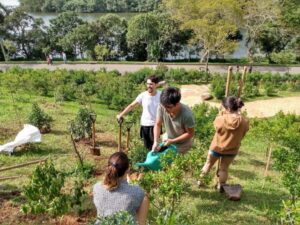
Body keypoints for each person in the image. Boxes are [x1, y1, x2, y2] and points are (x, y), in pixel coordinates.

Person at [198, 96, 249, 190]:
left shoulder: (221, 119)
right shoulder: (244, 121)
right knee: (224, 168)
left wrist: (220, 114)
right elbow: (244, 133)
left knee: (208, 164)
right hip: (232, 149)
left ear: (228, 108)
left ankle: (200, 181)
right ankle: (221, 186)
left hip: (216, 147)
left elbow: (216, 128)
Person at [93, 152, 149, 225]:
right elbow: (141, 223)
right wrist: (134, 187)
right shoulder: (139, 193)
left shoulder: (96, 187)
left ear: (108, 167)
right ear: (128, 170)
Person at [117, 75, 161, 150]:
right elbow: (132, 106)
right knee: (147, 147)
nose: (148, 86)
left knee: (156, 148)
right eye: (147, 84)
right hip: (145, 124)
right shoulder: (143, 95)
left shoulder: (161, 95)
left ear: (156, 85)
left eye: (151, 84)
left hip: (156, 125)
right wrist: (121, 114)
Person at [152, 87, 195, 154]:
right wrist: (156, 141)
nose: (165, 110)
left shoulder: (187, 114)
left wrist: (173, 141)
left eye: (169, 107)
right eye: (164, 106)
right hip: (168, 140)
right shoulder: (162, 106)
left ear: (177, 103)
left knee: (177, 163)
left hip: (182, 145)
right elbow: (157, 124)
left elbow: (190, 133)